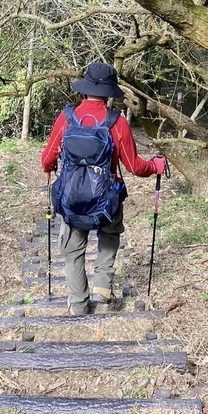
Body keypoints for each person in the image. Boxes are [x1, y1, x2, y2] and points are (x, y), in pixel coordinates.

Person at [41, 61, 167, 315]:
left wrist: (51, 171)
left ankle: (77, 303)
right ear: (110, 92)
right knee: (109, 236)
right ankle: (101, 290)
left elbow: (47, 159)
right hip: (107, 197)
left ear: (84, 89)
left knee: (73, 247)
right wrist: (155, 166)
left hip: (73, 197)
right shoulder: (116, 122)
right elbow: (133, 166)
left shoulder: (66, 118)